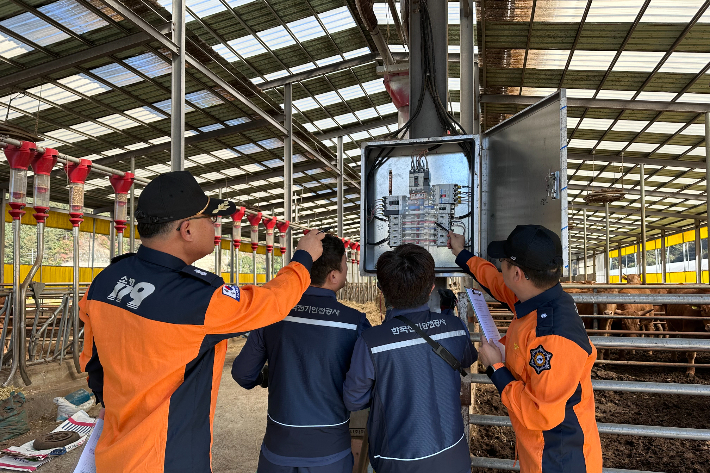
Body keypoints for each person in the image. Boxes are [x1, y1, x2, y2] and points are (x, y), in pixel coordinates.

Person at [78, 170, 325, 473]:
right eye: (209, 219)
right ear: (187, 229)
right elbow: (271, 303)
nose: (215, 226)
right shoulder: (196, 299)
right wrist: (303, 261)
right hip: (166, 459)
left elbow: (92, 362)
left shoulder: (105, 281)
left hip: (113, 454)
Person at [448, 225, 603, 472]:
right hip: (538, 450)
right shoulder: (539, 297)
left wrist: (497, 368)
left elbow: (539, 414)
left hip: (558, 459)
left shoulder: (553, 337)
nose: (500, 266)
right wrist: (461, 254)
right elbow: (495, 282)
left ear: (517, 274)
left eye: (503, 262)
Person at [232, 234, 370, 473]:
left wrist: (265, 377)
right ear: (334, 275)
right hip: (329, 453)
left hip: (279, 450)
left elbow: (243, 374)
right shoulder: (354, 323)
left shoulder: (273, 314)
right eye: (346, 264)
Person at [342, 244, 476, 473]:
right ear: (432, 287)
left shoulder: (372, 342)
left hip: (398, 461)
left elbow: (353, 400)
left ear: (381, 290)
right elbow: (467, 359)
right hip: (454, 456)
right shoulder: (454, 328)